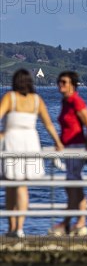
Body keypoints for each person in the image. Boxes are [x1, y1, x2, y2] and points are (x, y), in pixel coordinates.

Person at [0, 69, 64, 238]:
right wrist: (57, 142)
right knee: (22, 187)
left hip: (12, 142)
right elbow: (48, 124)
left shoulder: (10, 98)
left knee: (11, 186)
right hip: (30, 142)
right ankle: (19, 227)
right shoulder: (37, 100)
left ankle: (12, 227)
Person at [48, 71, 87, 237]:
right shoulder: (65, 102)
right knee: (74, 186)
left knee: (73, 185)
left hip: (77, 147)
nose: (60, 85)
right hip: (68, 147)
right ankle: (77, 223)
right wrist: (59, 142)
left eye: (64, 82)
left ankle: (71, 222)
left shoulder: (76, 101)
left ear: (72, 85)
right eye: (59, 82)